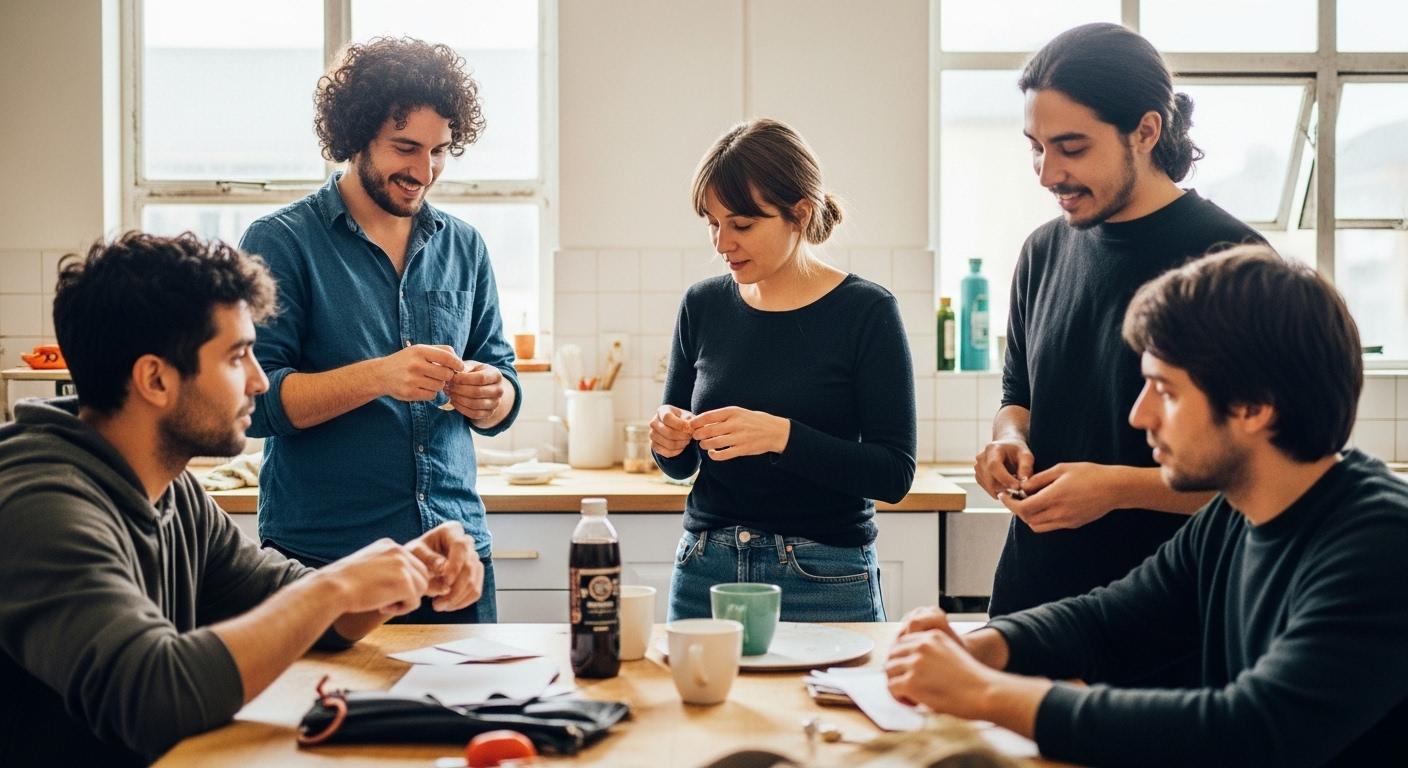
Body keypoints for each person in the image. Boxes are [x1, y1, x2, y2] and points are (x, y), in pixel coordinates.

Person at [887, 245, 1408, 767]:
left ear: (1254, 407)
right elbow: (1108, 621)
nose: (1140, 415)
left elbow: (1250, 732)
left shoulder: (1380, 545)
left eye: (1166, 391)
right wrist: (985, 645)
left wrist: (982, 693)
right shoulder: (1234, 515)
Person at [0, 232, 484, 766]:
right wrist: (335, 586)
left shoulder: (169, 488)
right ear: (155, 379)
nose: (259, 381)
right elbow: (153, 696)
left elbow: (297, 609)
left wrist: (405, 569)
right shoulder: (42, 506)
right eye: (238, 358)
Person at [976, 22, 1264, 617]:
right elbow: (1019, 398)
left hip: (1170, 622)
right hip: (1031, 605)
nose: (1047, 172)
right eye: (1037, 145)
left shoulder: (1232, 261)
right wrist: (1008, 442)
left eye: (1072, 147)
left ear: (1146, 131)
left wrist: (1115, 490)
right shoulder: (1041, 251)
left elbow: (1263, 475)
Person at [240, 37, 519, 622]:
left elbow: (502, 381)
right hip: (327, 564)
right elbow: (256, 404)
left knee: (477, 713)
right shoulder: (282, 242)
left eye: (440, 150)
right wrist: (381, 376)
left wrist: (493, 395)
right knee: (330, 715)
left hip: (455, 557)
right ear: (355, 135)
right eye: (405, 147)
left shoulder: (464, 246)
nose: (424, 171)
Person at [652, 118, 917, 622]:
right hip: (707, 570)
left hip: (825, 573)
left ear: (800, 213)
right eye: (713, 222)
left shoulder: (867, 311)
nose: (721, 242)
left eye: (742, 224)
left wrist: (782, 436)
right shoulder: (702, 305)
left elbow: (894, 473)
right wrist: (667, 441)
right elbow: (681, 466)